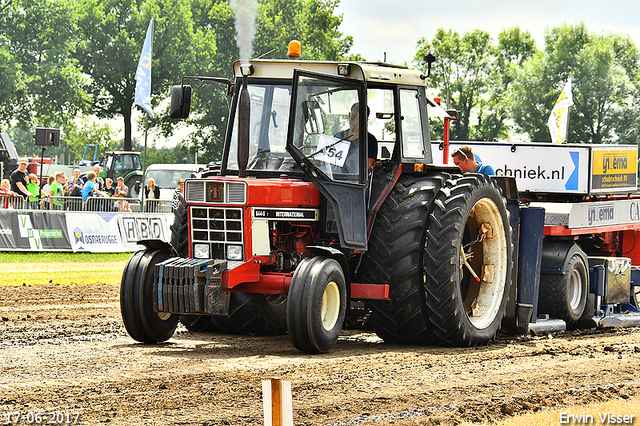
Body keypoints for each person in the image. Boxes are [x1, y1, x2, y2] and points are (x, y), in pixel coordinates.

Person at [333, 103, 378, 172]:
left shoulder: (370, 140)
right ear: (349, 115)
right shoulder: (338, 137)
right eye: (353, 116)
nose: (355, 121)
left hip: (355, 181)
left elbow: (367, 167)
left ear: (366, 120)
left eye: (359, 118)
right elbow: (329, 163)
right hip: (334, 179)